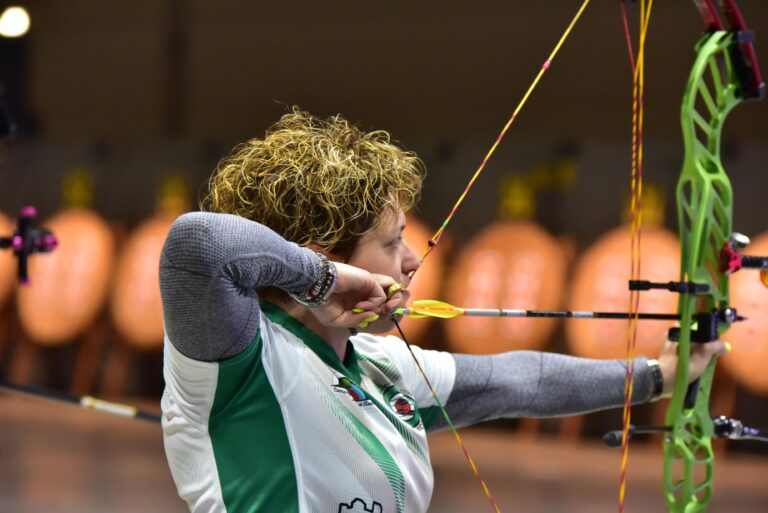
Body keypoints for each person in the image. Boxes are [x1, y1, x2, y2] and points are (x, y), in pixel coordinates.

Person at [159, 108, 725, 513]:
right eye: (392, 242)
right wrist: (325, 280)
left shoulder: (381, 365)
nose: (411, 261)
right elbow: (198, 246)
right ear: (328, 255)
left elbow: (519, 381)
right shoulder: (238, 356)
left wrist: (661, 377)